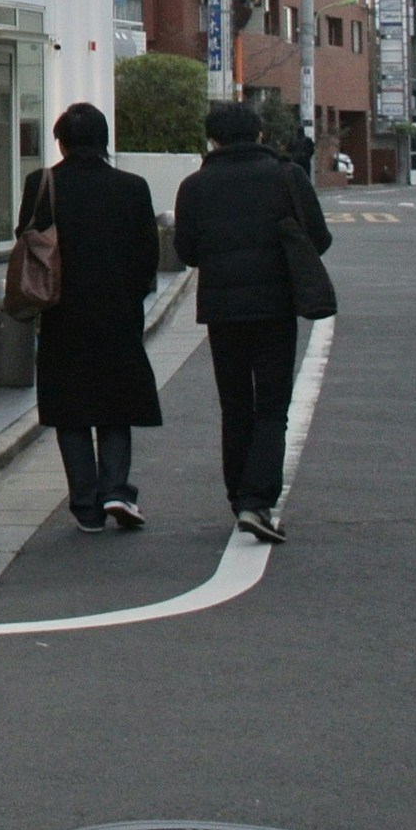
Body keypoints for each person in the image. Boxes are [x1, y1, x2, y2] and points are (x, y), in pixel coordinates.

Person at [174, 102, 332, 544]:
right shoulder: (287, 178)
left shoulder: (195, 186)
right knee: (272, 406)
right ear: (260, 133)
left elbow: (186, 251)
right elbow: (319, 238)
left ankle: (238, 496)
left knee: (236, 404)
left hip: (222, 311)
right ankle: (256, 500)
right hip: (276, 306)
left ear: (213, 139)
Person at [22, 102, 162, 533]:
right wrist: (131, 295)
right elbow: (148, 254)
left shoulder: (43, 184)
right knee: (115, 406)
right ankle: (116, 489)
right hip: (118, 311)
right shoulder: (132, 187)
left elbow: (26, 241)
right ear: (104, 141)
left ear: (61, 141)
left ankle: (85, 505)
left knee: (72, 410)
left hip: (62, 312)